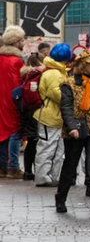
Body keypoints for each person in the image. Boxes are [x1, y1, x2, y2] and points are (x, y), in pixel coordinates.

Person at [55, 50, 90, 216]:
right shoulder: (69, 84)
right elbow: (65, 107)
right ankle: (60, 198)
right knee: (70, 166)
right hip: (77, 130)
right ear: (81, 66)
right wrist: (72, 127)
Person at [33, 43, 72, 186]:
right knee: (49, 147)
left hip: (51, 115)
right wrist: (71, 97)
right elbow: (57, 94)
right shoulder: (56, 73)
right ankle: (44, 177)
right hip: (52, 116)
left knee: (50, 147)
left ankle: (51, 176)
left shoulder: (54, 71)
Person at [0, 26, 26, 179]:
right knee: (14, 133)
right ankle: (13, 166)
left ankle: (2, 166)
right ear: (16, 43)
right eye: (22, 40)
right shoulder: (16, 61)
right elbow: (18, 85)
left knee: (2, 134)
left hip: (1, 101)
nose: (24, 42)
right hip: (11, 102)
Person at [15, 53, 43, 181]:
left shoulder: (24, 74)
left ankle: (27, 171)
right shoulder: (40, 73)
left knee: (30, 141)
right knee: (38, 141)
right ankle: (38, 169)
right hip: (38, 109)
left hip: (26, 109)